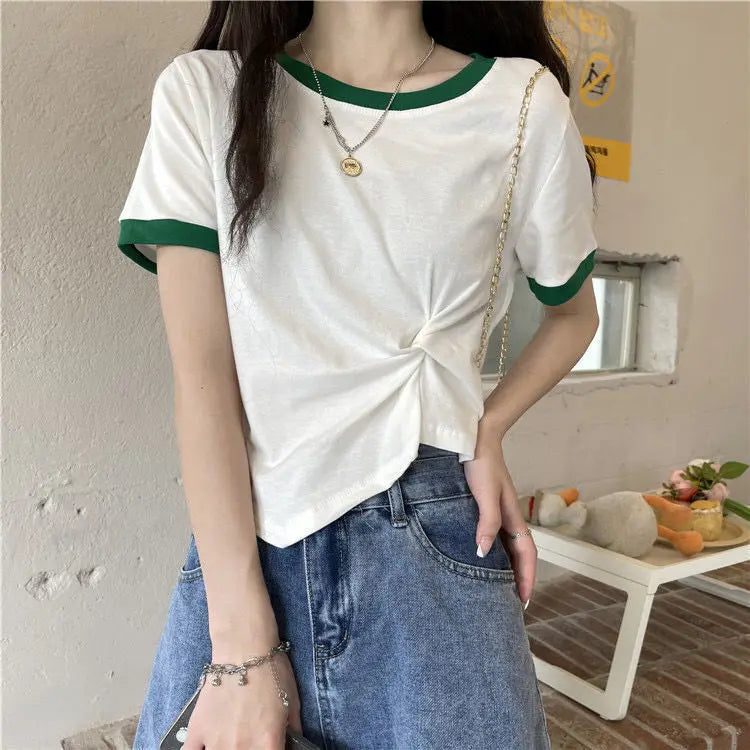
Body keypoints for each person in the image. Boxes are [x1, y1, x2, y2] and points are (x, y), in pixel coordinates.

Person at [117, 2, 600, 748]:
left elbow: (574, 315)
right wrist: (243, 650)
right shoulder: (207, 92)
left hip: (433, 542)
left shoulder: (521, 102)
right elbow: (204, 384)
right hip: (252, 551)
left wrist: (487, 426)